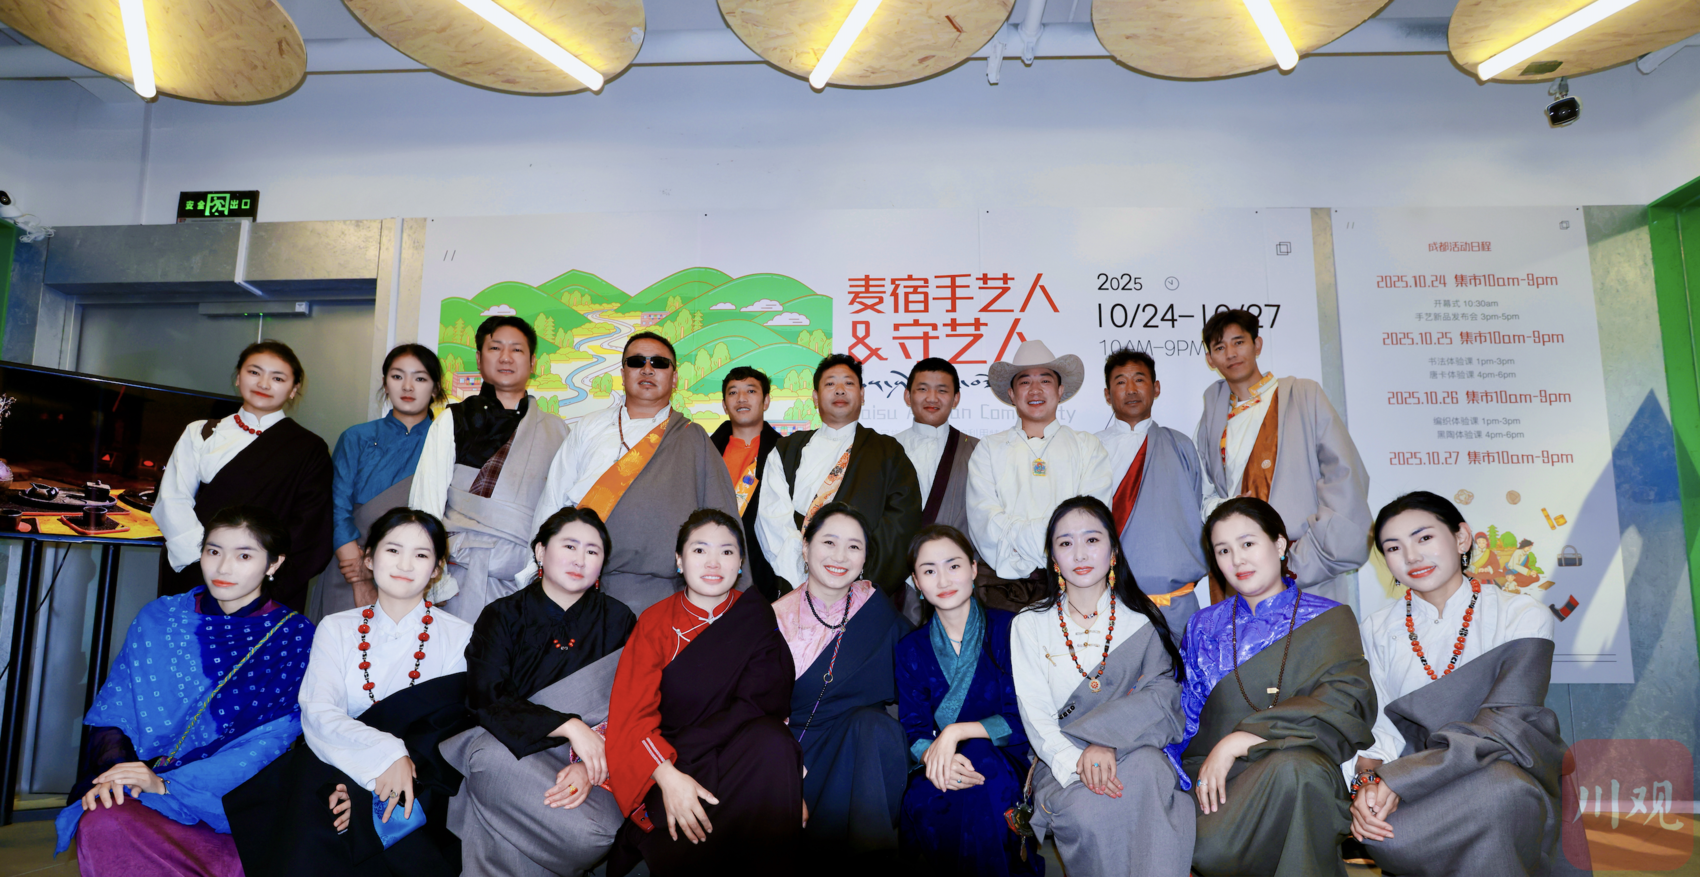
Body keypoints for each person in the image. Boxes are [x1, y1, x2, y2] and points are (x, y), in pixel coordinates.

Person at [56, 506, 315, 874]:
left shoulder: (293, 638)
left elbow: (269, 742)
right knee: (104, 818)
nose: (223, 568)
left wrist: (169, 785)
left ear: (274, 563)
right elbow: (116, 709)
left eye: (244, 556)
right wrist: (119, 773)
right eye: (213, 551)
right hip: (143, 776)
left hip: (231, 797)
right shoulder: (160, 617)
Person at [227, 509, 475, 877]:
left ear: (437, 568)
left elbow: (445, 729)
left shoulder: (460, 636)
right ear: (369, 558)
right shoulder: (336, 627)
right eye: (393, 550)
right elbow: (319, 712)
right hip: (332, 760)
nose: (405, 564)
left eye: (421, 554)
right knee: (313, 813)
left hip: (418, 776)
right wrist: (376, 760)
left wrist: (365, 791)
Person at [1349, 492, 1567, 877]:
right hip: (1415, 788)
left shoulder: (1521, 615)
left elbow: (1504, 726)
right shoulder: (1376, 629)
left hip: (1504, 769)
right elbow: (1376, 727)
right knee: (1386, 835)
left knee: (1500, 793)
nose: (1412, 556)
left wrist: (1402, 780)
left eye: (1424, 538)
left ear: (1462, 538)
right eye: (1394, 548)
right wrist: (1367, 785)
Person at [1171, 497, 1376, 877]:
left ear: (1279, 544)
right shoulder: (1203, 626)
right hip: (1216, 775)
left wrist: (1242, 740)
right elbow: (1185, 712)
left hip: (1299, 761)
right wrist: (1172, 783)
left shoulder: (1330, 618)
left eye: (1248, 543)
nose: (1237, 560)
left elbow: (1345, 703)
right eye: (1223, 550)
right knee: (1208, 842)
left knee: (1295, 770)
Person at [441, 506, 638, 877]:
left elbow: (634, 705)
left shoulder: (619, 620)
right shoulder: (501, 615)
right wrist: (570, 726)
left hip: (595, 755)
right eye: (569, 546)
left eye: (593, 551)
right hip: (510, 748)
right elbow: (486, 697)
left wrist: (588, 765)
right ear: (540, 551)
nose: (580, 559)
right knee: (488, 759)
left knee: (596, 833)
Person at [606, 509, 803, 876]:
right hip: (675, 759)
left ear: (741, 563)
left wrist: (789, 779)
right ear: (679, 560)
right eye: (699, 550)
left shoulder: (756, 616)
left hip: (742, 758)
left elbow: (764, 706)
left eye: (727, 552)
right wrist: (668, 777)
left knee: (774, 742)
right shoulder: (655, 622)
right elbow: (631, 715)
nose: (714, 562)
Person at [1010, 496, 1193, 877]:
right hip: (1061, 762)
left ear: (1113, 552)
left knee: (1151, 775)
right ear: (1053, 558)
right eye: (1065, 543)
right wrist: (1078, 761)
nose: (1079, 553)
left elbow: (1162, 698)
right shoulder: (1030, 624)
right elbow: (1035, 714)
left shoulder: (1140, 620)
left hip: (1133, 749)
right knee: (1090, 813)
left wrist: (1107, 741)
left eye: (1092, 540)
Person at [530, 331, 746, 615]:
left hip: (669, 596)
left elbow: (724, 524)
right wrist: (538, 568)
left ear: (675, 378)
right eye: (636, 362)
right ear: (623, 373)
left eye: (659, 363)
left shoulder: (693, 439)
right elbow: (554, 500)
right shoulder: (590, 428)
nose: (647, 369)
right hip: (580, 587)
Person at [1193, 309, 1371, 606]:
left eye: (1239, 342)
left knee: (1311, 636)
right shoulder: (1212, 419)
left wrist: (1304, 555)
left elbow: (1343, 475)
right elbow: (1203, 491)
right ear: (1210, 359)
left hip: (1305, 563)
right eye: (1220, 347)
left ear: (1257, 345)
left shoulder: (1302, 396)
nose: (1231, 354)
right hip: (1242, 569)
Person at [772, 501, 912, 867]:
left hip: (860, 753)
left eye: (853, 546)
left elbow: (923, 679)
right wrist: (785, 769)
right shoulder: (775, 618)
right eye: (829, 543)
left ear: (864, 559)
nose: (840, 556)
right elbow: (752, 708)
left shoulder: (876, 611)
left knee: (873, 725)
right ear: (806, 548)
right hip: (788, 752)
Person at [897, 525, 1040, 876]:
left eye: (953, 565)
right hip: (940, 766)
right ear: (916, 582)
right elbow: (913, 731)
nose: (943, 579)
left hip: (1006, 760)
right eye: (929, 570)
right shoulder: (909, 649)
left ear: (974, 569)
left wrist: (956, 732)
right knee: (935, 796)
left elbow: (1024, 719)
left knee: (980, 767)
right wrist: (936, 756)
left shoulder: (1010, 629)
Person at [410, 315, 569, 622]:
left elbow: (561, 511)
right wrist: (432, 577)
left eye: (517, 349)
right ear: (480, 359)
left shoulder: (557, 431)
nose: (506, 357)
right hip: (459, 577)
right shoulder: (454, 420)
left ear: (533, 362)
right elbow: (425, 505)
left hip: (530, 578)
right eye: (495, 348)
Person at [155, 340, 333, 612]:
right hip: (196, 574)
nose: (264, 383)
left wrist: (262, 576)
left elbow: (311, 528)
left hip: (269, 585)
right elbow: (172, 500)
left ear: (293, 389)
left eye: (277, 378)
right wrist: (208, 562)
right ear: (238, 377)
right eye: (254, 372)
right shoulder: (201, 432)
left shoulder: (310, 448)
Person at [757, 354, 922, 599]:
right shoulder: (786, 450)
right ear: (815, 397)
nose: (840, 390)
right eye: (830, 383)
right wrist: (802, 576)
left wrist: (857, 582)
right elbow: (772, 519)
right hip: (796, 585)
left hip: (865, 592)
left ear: (862, 395)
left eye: (849, 383)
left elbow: (901, 525)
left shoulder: (888, 452)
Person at [967, 340, 1113, 610]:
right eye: (1025, 382)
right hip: (1003, 589)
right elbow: (984, 522)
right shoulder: (988, 449)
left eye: (1045, 381)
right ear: (1012, 394)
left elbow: (1092, 520)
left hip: (1073, 587)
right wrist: (1057, 541)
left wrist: (1021, 539)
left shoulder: (1088, 447)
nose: (1035, 390)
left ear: (1060, 390)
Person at [313, 343, 445, 622]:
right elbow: (337, 505)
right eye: (397, 376)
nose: (407, 386)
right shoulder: (356, 437)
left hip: (415, 572)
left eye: (420, 378)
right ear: (385, 384)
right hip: (350, 562)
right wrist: (358, 574)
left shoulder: (445, 444)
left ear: (435, 388)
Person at [1096, 349, 1209, 634]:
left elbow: (1200, 508)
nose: (1131, 389)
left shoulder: (1181, 445)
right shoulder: (1091, 449)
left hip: (1178, 605)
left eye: (1139, 379)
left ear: (1156, 388)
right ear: (1108, 394)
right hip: (1112, 603)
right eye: (1120, 382)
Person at [895, 358, 981, 623]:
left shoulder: (978, 451)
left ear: (956, 399)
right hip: (897, 582)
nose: (932, 398)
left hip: (955, 582)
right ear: (907, 396)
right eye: (922, 389)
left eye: (942, 390)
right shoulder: (885, 449)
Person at [709, 366, 784, 601]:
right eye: (733, 392)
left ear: (766, 400)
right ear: (724, 405)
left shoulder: (786, 453)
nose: (741, 398)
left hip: (765, 576)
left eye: (751, 391)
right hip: (710, 569)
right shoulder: (705, 451)